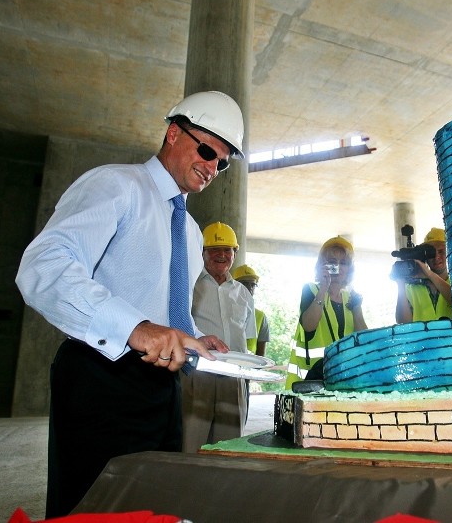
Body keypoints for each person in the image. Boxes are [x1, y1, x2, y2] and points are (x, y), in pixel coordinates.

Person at [15, 91, 243, 517]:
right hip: (100, 377)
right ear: (174, 133)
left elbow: (164, 310)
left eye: (223, 161)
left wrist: (193, 339)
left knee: (155, 504)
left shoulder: (191, 233)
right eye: (208, 149)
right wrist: (136, 328)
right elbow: (42, 267)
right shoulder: (114, 185)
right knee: (93, 506)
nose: (212, 167)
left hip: (163, 388)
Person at [182, 222, 256, 453]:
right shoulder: (189, 285)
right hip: (197, 374)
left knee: (230, 445)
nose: (221, 255)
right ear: (202, 253)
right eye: (214, 250)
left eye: (227, 250)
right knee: (192, 441)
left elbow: (248, 336)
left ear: (234, 253)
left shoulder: (243, 293)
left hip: (233, 376)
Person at [285, 236, 367, 388]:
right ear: (322, 266)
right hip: (310, 381)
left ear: (350, 269)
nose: (338, 267)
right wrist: (323, 288)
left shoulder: (351, 298)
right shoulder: (311, 290)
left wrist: (357, 307)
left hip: (343, 379)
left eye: (343, 263)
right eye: (332, 262)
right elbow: (309, 326)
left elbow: (363, 340)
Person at [393, 227, 452, 323]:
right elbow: (403, 323)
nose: (436, 257)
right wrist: (400, 284)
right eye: (431, 253)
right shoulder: (411, 287)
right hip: (424, 338)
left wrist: (429, 274)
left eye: (441, 251)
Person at [232, 264, 269, 356]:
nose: (250, 288)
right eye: (244, 284)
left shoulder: (261, 316)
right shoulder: (224, 308)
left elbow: (261, 353)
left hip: (248, 367)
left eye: (253, 284)